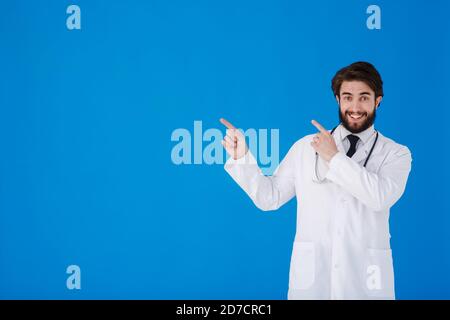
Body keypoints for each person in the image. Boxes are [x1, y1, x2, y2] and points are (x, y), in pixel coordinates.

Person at [220, 61, 412, 300]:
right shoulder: (305, 147)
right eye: (347, 97)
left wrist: (334, 157)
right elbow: (269, 198)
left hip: (366, 281)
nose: (355, 106)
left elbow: (379, 197)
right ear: (337, 100)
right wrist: (242, 158)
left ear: (378, 100)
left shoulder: (396, 153)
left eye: (364, 97)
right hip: (313, 281)